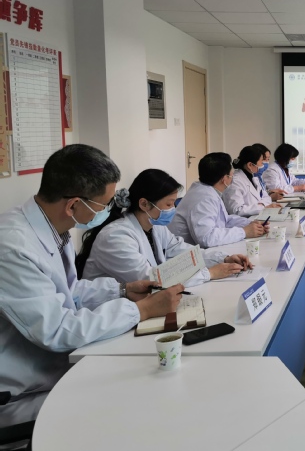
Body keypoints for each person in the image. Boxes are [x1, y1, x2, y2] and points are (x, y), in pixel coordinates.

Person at [0, 145, 183, 427]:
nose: (109, 210)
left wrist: (122, 290)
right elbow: (58, 330)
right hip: (25, 394)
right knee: (136, 401)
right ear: (73, 205)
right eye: (104, 205)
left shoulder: (50, 228)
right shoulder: (13, 247)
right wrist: (141, 311)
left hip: (57, 367)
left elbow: (69, 293)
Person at [77, 169, 252, 286]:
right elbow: (150, 280)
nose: (172, 209)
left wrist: (223, 258)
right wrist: (210, 274)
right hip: (108, 313)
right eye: (168, 204)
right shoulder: (116, 237)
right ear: (144, 204)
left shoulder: (154, 226)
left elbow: (184, 253)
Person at [168, 152, 268, 248]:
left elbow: (224, 220)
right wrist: (244, 232)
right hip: (186, 254)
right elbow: (206, 238)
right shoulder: (204, 199)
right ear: (224, 179)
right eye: (232, 175)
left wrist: (250, 224)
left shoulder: (208, 190)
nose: (233, 178)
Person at [223, 146, 282, 217]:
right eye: (261, 162)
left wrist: (262, 205)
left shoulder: (254, 177)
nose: (263, 165)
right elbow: (236, 210)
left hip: (258, 216)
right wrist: (262, 207)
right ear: (250, 165)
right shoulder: (235, 181)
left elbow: (266, 197)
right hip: (245, 221)